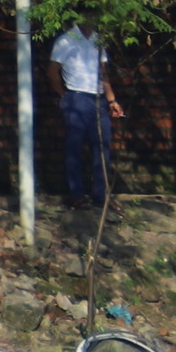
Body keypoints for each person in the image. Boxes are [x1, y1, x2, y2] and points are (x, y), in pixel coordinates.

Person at [49, 17, 123, 208]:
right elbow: (53, 71)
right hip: (77, 95)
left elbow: (103, 73)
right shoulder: (66, 40)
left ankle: (101, 195)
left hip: (97, 98)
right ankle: (77, 194)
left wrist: (112, 100)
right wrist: (63, 94)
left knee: (103, 146)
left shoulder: (98, 40)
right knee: (74, 147)